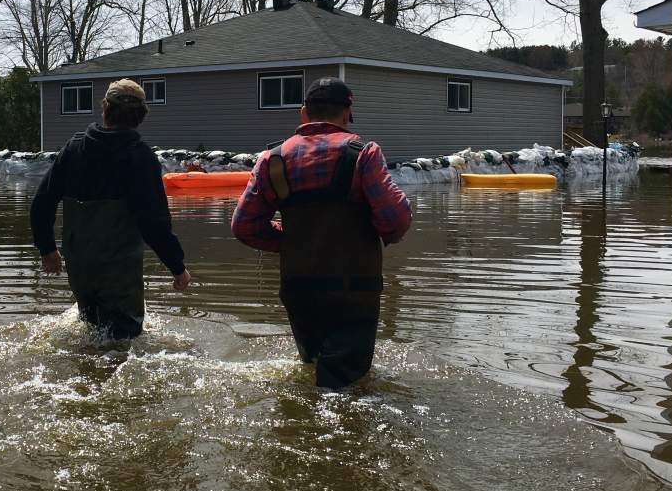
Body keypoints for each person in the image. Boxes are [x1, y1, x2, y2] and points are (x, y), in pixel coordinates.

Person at [231, 78, 412, 388]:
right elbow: (396, 220)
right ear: (347, 113)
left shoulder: (271, 160)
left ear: (304, 114)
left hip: (298, 288)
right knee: (344, 388)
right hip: (353, 290)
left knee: (312, 368)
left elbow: (244, 227)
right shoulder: (363, 154)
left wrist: (291, 241)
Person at [31, 79, 192, 340]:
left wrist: (47, 249)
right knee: (122, 340)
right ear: (141, 116)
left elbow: (42, 203)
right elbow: (154, 223)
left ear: (105, 108)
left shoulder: (74, 149)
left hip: (79, 264)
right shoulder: (140, 157)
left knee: (90, 331)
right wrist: (177, 267)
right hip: (119, 268)